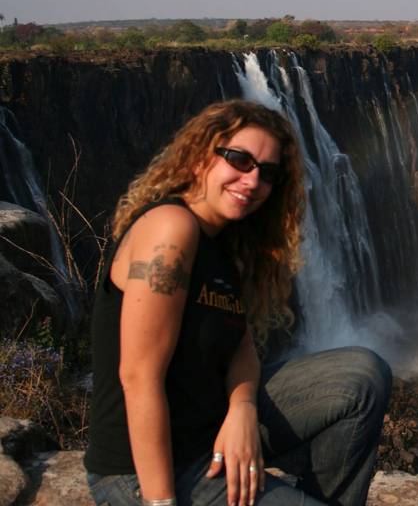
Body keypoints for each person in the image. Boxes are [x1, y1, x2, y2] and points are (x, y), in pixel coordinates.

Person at [83, 100, 391, 506]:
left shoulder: (225, 244)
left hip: (211, 429)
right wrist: (160, 501)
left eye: (267, 173)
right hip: (147, 469)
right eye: (239, 160)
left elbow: (241, 348)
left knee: (363, 376)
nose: (251, 180)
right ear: (198, 158)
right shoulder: (170, 229)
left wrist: (242, 407)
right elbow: (138, 376)